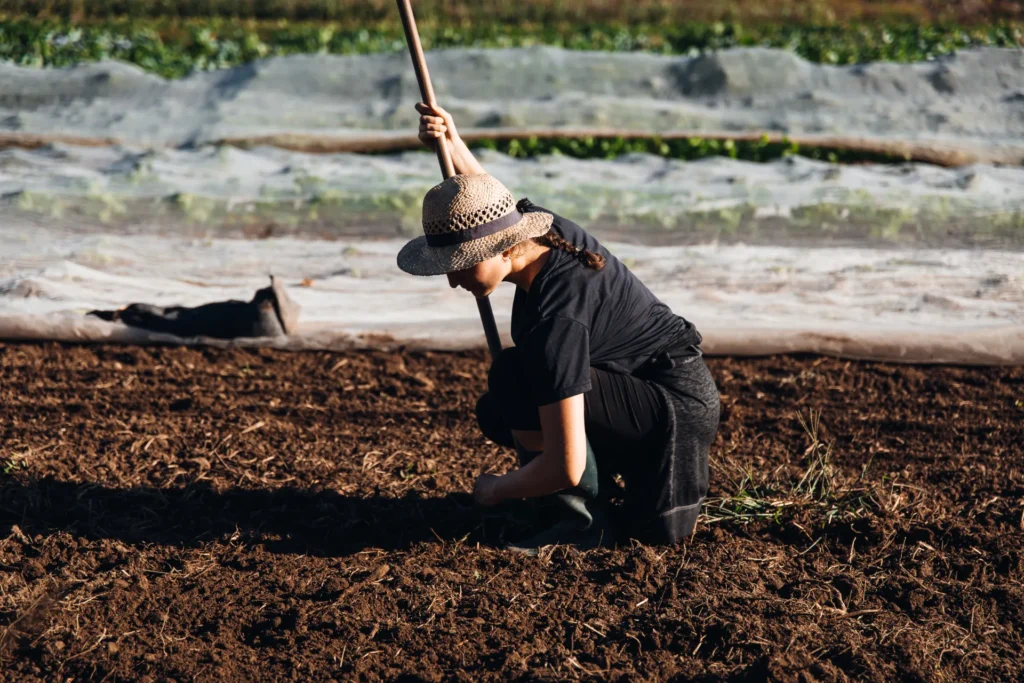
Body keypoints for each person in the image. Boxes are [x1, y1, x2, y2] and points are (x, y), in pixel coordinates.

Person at [397, 102, 720, 550]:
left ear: (504, 249)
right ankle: (579, 502)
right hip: (635, 386)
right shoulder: (538, 232)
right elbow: (491, 200)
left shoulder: (555, 317)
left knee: (652, 536)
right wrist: (451, 141)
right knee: (506, 393)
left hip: (674, 409)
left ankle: (582, 519)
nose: (453, 280)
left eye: (460, 265)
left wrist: (497, 488)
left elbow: (564, 465)